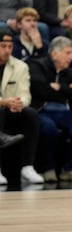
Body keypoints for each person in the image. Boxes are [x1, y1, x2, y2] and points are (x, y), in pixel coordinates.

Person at [29, 36, 72, 183]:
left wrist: (59, 88)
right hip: (43, 110)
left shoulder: (70, 72)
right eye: (68, 53)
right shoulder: (37, 66)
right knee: (48, 128)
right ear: (55, 53)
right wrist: (66, 91)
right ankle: (48, 169)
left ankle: (69, 168)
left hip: (66, 111)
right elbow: (40, 89)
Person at [0, 29, 42, 185]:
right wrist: (4, 102)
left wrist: (19, 103)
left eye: (9, 46)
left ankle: (27, 167)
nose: (6, 50)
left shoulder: (21, 66)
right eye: (3, 46)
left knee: (31, 114)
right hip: (2, 108)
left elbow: (26, 95)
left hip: (11, 110)